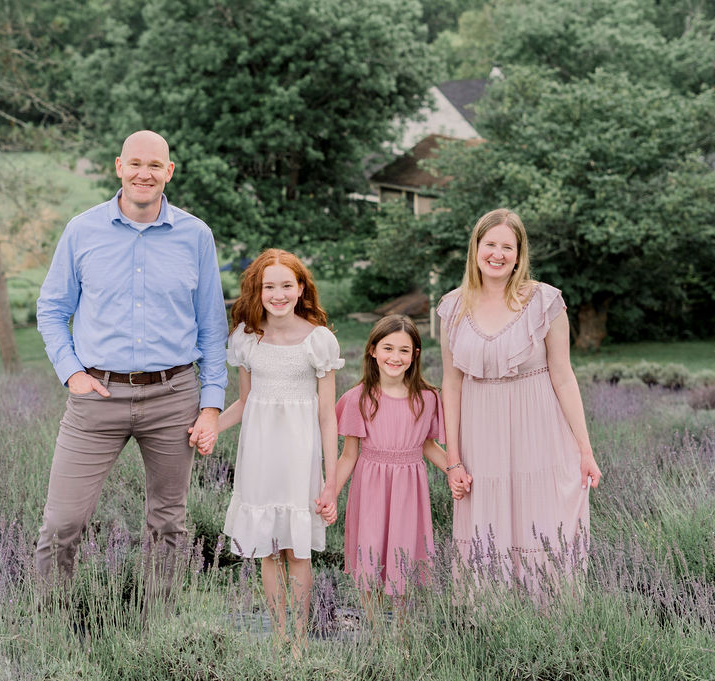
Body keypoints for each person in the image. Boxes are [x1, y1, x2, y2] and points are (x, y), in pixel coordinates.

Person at [34, 130, 228, 596]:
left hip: (174, 397)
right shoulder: (82, 230)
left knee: (168, 523)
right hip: (97, 397)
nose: (145, 173)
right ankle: (48, 622)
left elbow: (212, 327)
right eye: (136, 163)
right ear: (119, 167)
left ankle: (158, 624)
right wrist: (72, 373)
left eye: (155, 165)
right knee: (62, 522)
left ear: (169, 172)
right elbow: (52, 309)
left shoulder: (195, 236)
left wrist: (211, 406)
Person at [437, 208, 602, 592]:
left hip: (540, 434)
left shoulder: (545, 301)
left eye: (507, 247)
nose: (497, 254)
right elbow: (451, 384)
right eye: (490, 244)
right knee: (487, 534)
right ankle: (492, 623)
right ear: (476, 248)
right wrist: (453, 458)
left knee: (542, 525)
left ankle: (551, 621)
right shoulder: (452, 308)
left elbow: (563, 376)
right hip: (481, 439)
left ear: (519, 254)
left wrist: (585, 449)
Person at [205, 248, 342, 643]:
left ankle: (298, 641)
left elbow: (327, 416)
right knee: (269, 549)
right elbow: (245, 401)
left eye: (286, 285)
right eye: (269, 287)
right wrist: (211, 426)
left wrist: (331, 483)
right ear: (258, 290)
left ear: (300, 289)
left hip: (300, 458)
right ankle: (280, 638)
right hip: (261, 456)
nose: (278, 294)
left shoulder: (318, 341)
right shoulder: (248, 338)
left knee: (297, 551)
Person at [334, 314, 469, 618]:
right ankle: (375, 632)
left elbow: (428, 446)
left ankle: (402, 633)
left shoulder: (428, 399)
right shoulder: (358, 398)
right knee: (369, 557)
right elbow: (348, 456)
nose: (395, 357)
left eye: (404, 350)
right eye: (388, 348)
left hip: (409, 490)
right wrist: (330, 492)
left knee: (403, 556)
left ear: (415, 355)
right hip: (370, 488)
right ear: (372, 350)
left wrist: (453, 470)